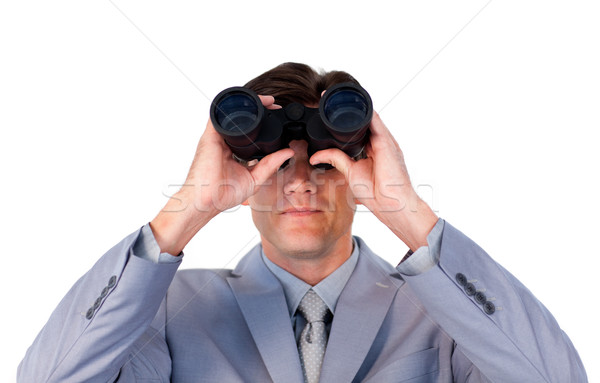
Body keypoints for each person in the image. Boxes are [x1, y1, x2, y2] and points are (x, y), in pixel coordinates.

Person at [18, 62, 587, 382]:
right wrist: (188, 207)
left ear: (364, 174)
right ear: (237, 176)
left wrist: (406, 211)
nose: (299, 183)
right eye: (273, 164)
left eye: (324, 162)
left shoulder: (441, 314)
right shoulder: (168, 308)